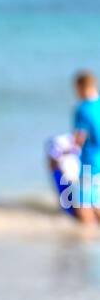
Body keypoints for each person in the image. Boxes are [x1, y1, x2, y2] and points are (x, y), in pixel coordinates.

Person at [69, 71, 100, 225]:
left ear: (80, 87)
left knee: (82, 205)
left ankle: (85, 243)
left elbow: (78, 139)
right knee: (96, 202)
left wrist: (66, 150)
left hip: (91, 161)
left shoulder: (82, 109)